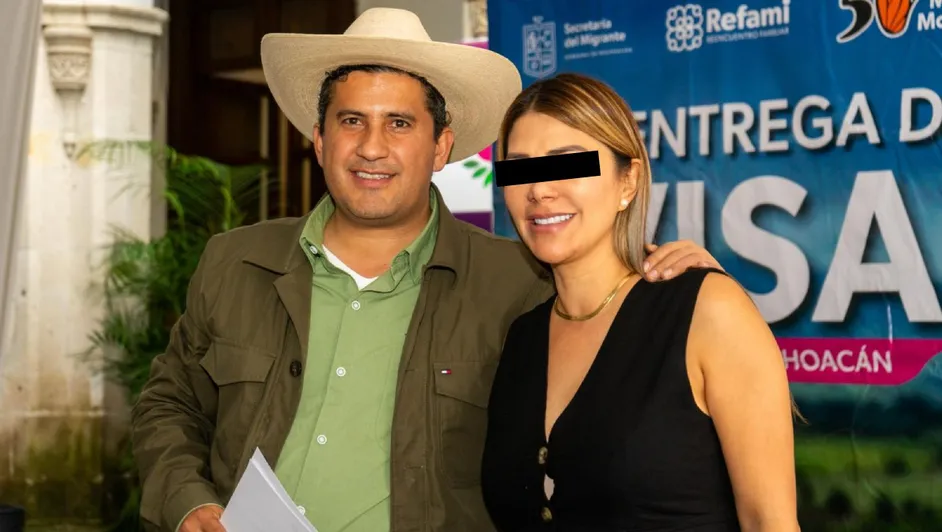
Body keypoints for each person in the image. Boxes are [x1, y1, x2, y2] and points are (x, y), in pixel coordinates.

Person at [130, 9, 725, 532]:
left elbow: (617, 346)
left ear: (441, 147)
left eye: (399, 123)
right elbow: (169, 403)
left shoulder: (520, 283)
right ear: (319, 139)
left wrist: (670, 279)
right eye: (351, 121)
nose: (371, 147)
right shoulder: (235, 262)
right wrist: (187, 502)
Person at [480, 72, 800, 532]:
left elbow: (770, 522)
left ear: (627, 181)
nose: (540, 190)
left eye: (568, 164)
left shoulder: (706, 309)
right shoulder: (523, 336)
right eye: (520, 169)